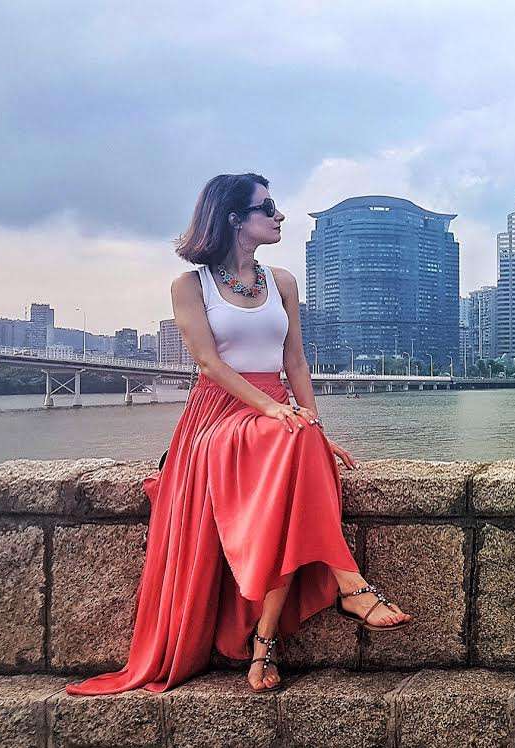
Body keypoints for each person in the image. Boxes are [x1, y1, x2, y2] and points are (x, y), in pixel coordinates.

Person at [66, 174, 411, 696]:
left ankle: (266, 641)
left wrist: (309, 422)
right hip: (218, 417)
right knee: (292, 443)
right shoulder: (191, 286)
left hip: (275, 415)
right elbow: (207, 362)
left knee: (296, 454)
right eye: (266, 207)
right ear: (232, 218)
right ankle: (349, 584)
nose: (279, 215)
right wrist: (276, 411)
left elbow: (294, 359)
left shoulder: (284, 282)